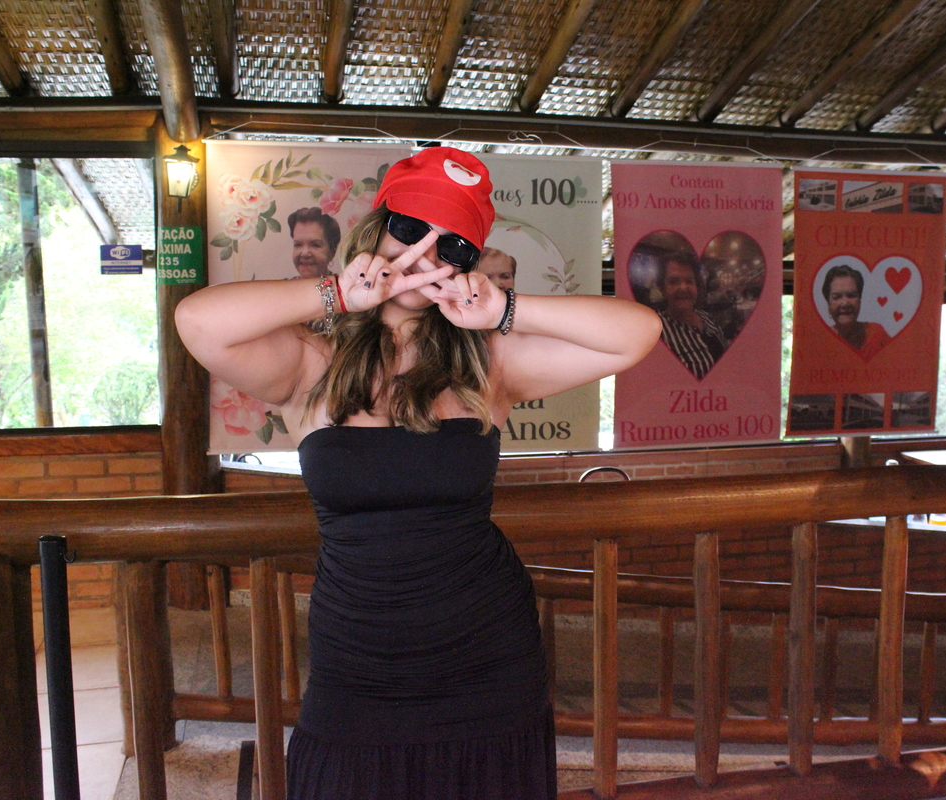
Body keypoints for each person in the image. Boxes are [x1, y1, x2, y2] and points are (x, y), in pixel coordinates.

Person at [175, 146, 660, 800]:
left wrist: (505, 311)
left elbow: (637, 333)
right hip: (357, 670)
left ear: (467, 265)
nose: (424, 253)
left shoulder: (486, 363)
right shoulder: (311, 362)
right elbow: (197, 321)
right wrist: (338, 292)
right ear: (375, 231)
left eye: (452, 245)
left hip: (487, 660)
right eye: (409, 228)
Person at [657, 254, 727, 380]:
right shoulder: (656, 332)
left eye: (689, 281)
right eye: (674, 281)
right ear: (662, 289)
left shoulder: (707, 318)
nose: (683, 288)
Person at [821, 264, 890, 359]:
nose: (845, 303)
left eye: (851, 295)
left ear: (859, 300)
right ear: (828, 303)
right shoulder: (821, 341)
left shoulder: (877, 335)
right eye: (837, 297)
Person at [288, 206, 342, 278]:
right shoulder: (282, 285)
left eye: (315, 245)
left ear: (332, 252)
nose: (305, 253)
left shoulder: (342, 285)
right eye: (298, 244)